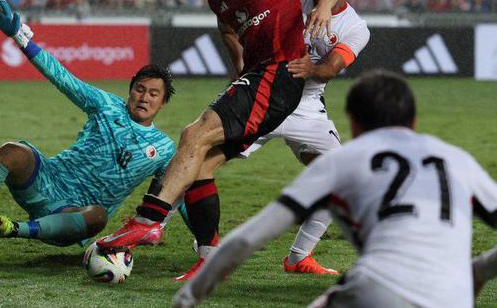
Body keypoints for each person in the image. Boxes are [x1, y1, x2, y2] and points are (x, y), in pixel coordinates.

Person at [97, 0, 345, 281]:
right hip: (258, 76)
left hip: (281, 74)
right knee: (200, 164)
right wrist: (238, 69)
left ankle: (149, 220)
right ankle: (210, 259)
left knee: (193, 134)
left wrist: (323, 9)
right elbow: (228, 28)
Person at [173, 71, 497, 308]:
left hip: (377, 289)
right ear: (413, 121)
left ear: (353, 122)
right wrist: (479, 270)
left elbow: (250, 237)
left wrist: (189, 296)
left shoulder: (342, 161)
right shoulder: (458, 160)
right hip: (454, 296)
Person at [0, 0, 176, 250]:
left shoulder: (164, 148)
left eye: (153, 94)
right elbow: (61, 76)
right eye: (139, 89)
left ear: (163, 102)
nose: (144, 97)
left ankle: (14, 229)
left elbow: (177, 192)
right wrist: (20, 38)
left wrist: (183, 235)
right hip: (47, 180)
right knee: (12, 151)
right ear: (130, 90)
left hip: (74, 216)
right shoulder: (106, 105)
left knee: (99, 216)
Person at [236, 0, 370, 275]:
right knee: (202, 154)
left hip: (307, 107)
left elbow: (330, 69)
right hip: (265, 93)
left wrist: (313, 68)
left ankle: (298, 258)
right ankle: (155, 225)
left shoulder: (356, 28)